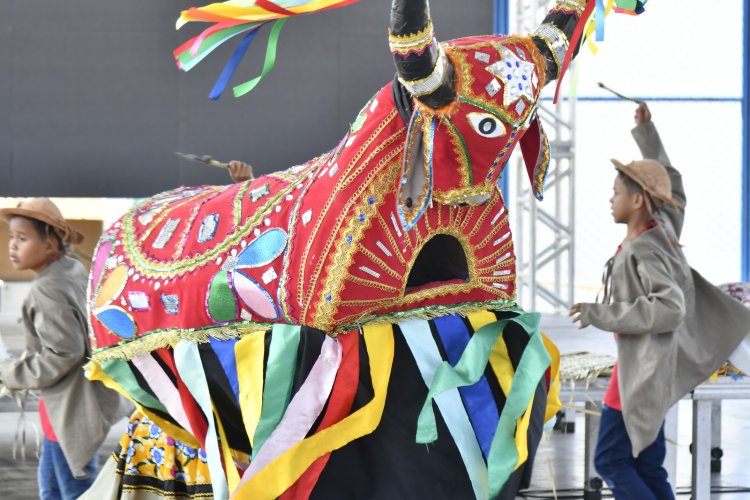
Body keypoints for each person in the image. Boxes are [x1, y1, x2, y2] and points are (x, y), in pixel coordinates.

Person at [569, 103, 750, 499]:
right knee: (647, 465)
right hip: (648, 367)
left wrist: (600, 313)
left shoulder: (646, 249)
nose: (610, 199)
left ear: (637, 201)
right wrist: (648, 136)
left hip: (641, 373)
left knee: (612, 461)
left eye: (617, 191)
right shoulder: (662, 226)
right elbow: (674, 189)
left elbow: (669, 309)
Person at [0, 198, 128, 499]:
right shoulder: (70, 269)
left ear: (49, 245)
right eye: (11, 237)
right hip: (63, 407)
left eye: (23, 238)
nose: (12, 246)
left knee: (74, 490)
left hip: (69, 408)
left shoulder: (48, 288)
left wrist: (10, 373)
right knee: (52, 488)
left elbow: (64, 353)